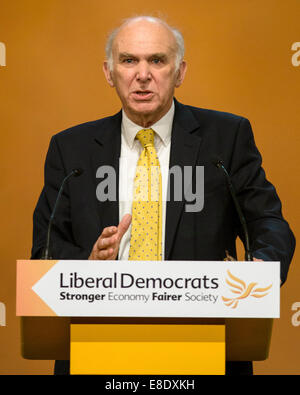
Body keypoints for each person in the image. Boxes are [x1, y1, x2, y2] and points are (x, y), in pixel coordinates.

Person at [31, 16, 295, 375]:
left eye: (157, 60)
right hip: (99, 346)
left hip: (202, 344)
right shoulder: (70, 149)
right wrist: (87, 264)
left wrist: (263, 266)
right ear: (109, 72)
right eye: (128, 60)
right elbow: (45, 249)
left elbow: (268, 222)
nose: (143, 74)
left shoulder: (226, 138)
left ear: (180, 71)